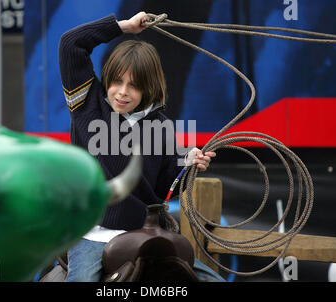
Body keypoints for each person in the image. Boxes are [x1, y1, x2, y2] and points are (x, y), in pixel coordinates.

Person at [58, 12, 223, 282]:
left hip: (148, 234)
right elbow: (70, 43)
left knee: (210, 281)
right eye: (116, 82)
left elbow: (168, 184)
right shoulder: (87, 103)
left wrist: (189, 163)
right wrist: (124, 27)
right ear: (107, 80)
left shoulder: (161, 126)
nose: (122, 92)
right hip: (92, 234)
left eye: (133, 86)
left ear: (148, 89)